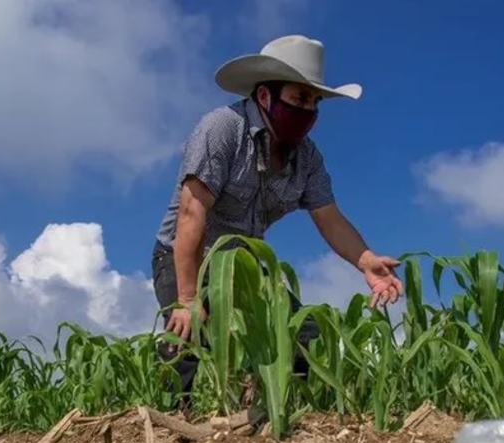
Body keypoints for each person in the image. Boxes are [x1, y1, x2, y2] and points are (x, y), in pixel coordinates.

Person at [151, 34, 404, 408]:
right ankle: (172, 426)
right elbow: (192, 212)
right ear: (265, 96)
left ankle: (273, 419)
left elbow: (330, 218)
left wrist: (366, 261)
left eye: (316, 102)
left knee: (303, 332)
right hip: (185, 255)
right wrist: (188, 299)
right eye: (300, 98)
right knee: (188, 336)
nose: (310, 111)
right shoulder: (222, 129)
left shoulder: (307, 159)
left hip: (245, 265)